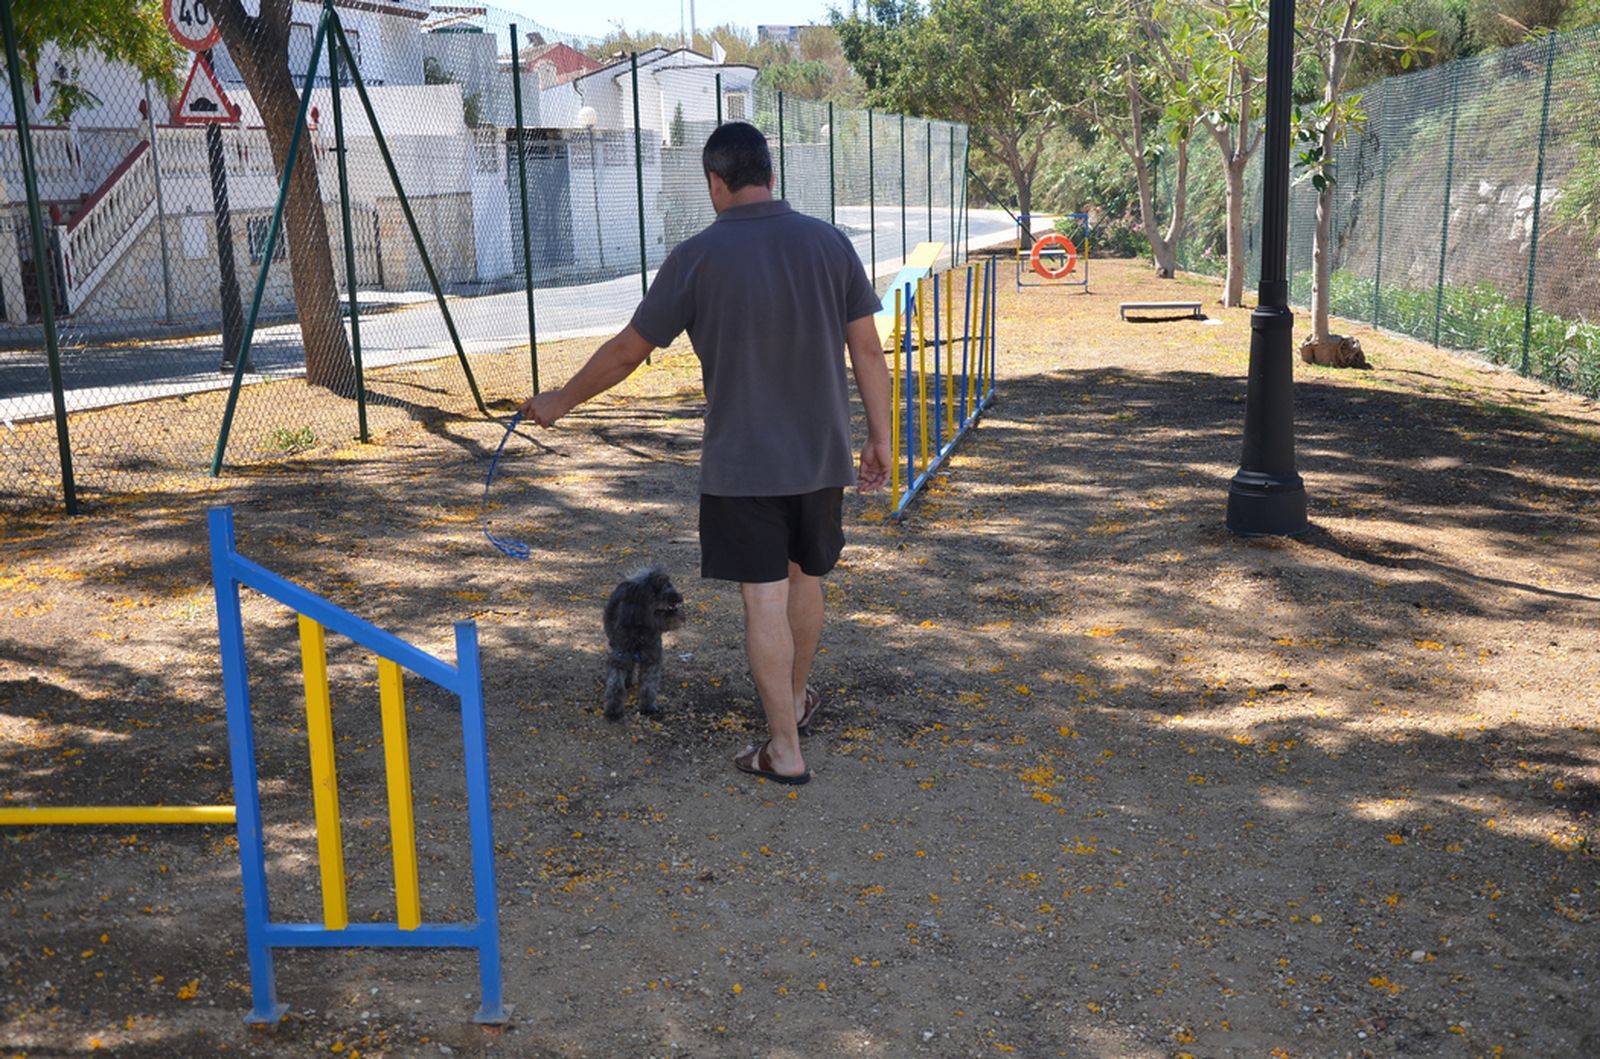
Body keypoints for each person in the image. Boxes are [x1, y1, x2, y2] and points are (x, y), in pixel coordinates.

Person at [521, 121, 891, 786]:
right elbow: (867, 348)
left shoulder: (696, 257)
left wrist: (562, 398)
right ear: (771, 175)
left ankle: (785, 748)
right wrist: (881, 438)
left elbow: (629, 351)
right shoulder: (830, 243)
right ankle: (795, 700)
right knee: (805, 580)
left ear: (715, 183)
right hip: (820, 456)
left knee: (765, 600)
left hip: (743, 464)